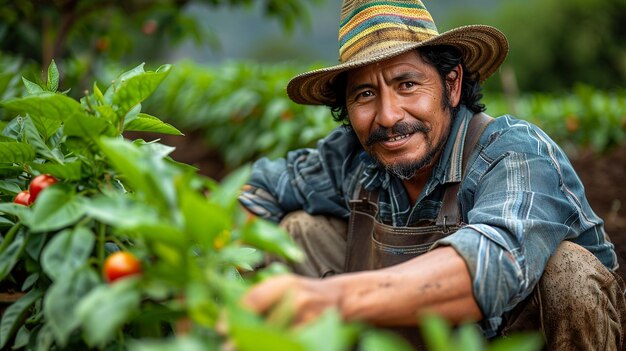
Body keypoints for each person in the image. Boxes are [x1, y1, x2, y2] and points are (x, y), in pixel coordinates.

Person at [238, 0, 626, 349]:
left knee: (569, 272)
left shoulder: (515, 153)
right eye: (365, 95)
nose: (388, 116)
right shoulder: (350, 157)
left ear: (452, 84)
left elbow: (494, 265)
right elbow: (263, 188)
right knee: (296, 230)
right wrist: (215, 269)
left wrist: (330, 298)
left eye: (407, 84)